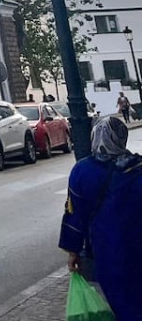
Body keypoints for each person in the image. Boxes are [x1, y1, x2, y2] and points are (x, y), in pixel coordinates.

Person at [59, 115, 142, 321]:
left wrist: (73, 251)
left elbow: (75, 214)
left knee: (118, 301)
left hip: (106, 252)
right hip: (138, 248)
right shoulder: (137, 168)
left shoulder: (82, 171)